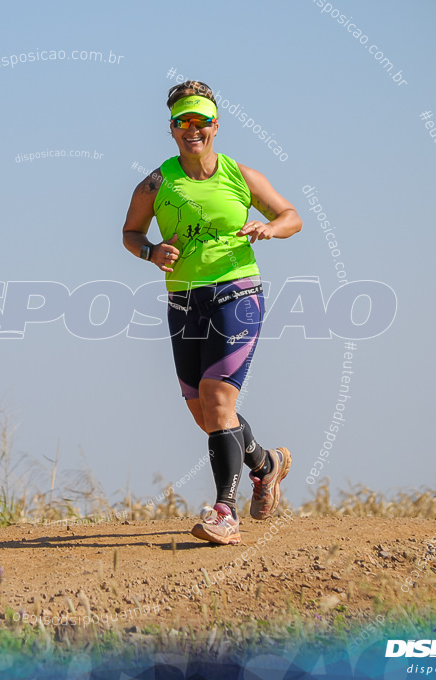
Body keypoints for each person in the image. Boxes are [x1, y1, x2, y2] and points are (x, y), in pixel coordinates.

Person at [121, 81, 302, 545]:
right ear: (173, 129)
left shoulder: (240, 175)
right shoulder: (156, 182)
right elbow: (131, 232)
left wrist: (269, 228)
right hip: (184, 301)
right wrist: (150, 252)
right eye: (183, 122)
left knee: (218, 399)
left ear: (215, 126)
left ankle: (225, 512)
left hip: (237, 292)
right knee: (205, 413)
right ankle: (266, 464)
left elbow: (291, 216)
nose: (192, 130)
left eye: (201, 121)